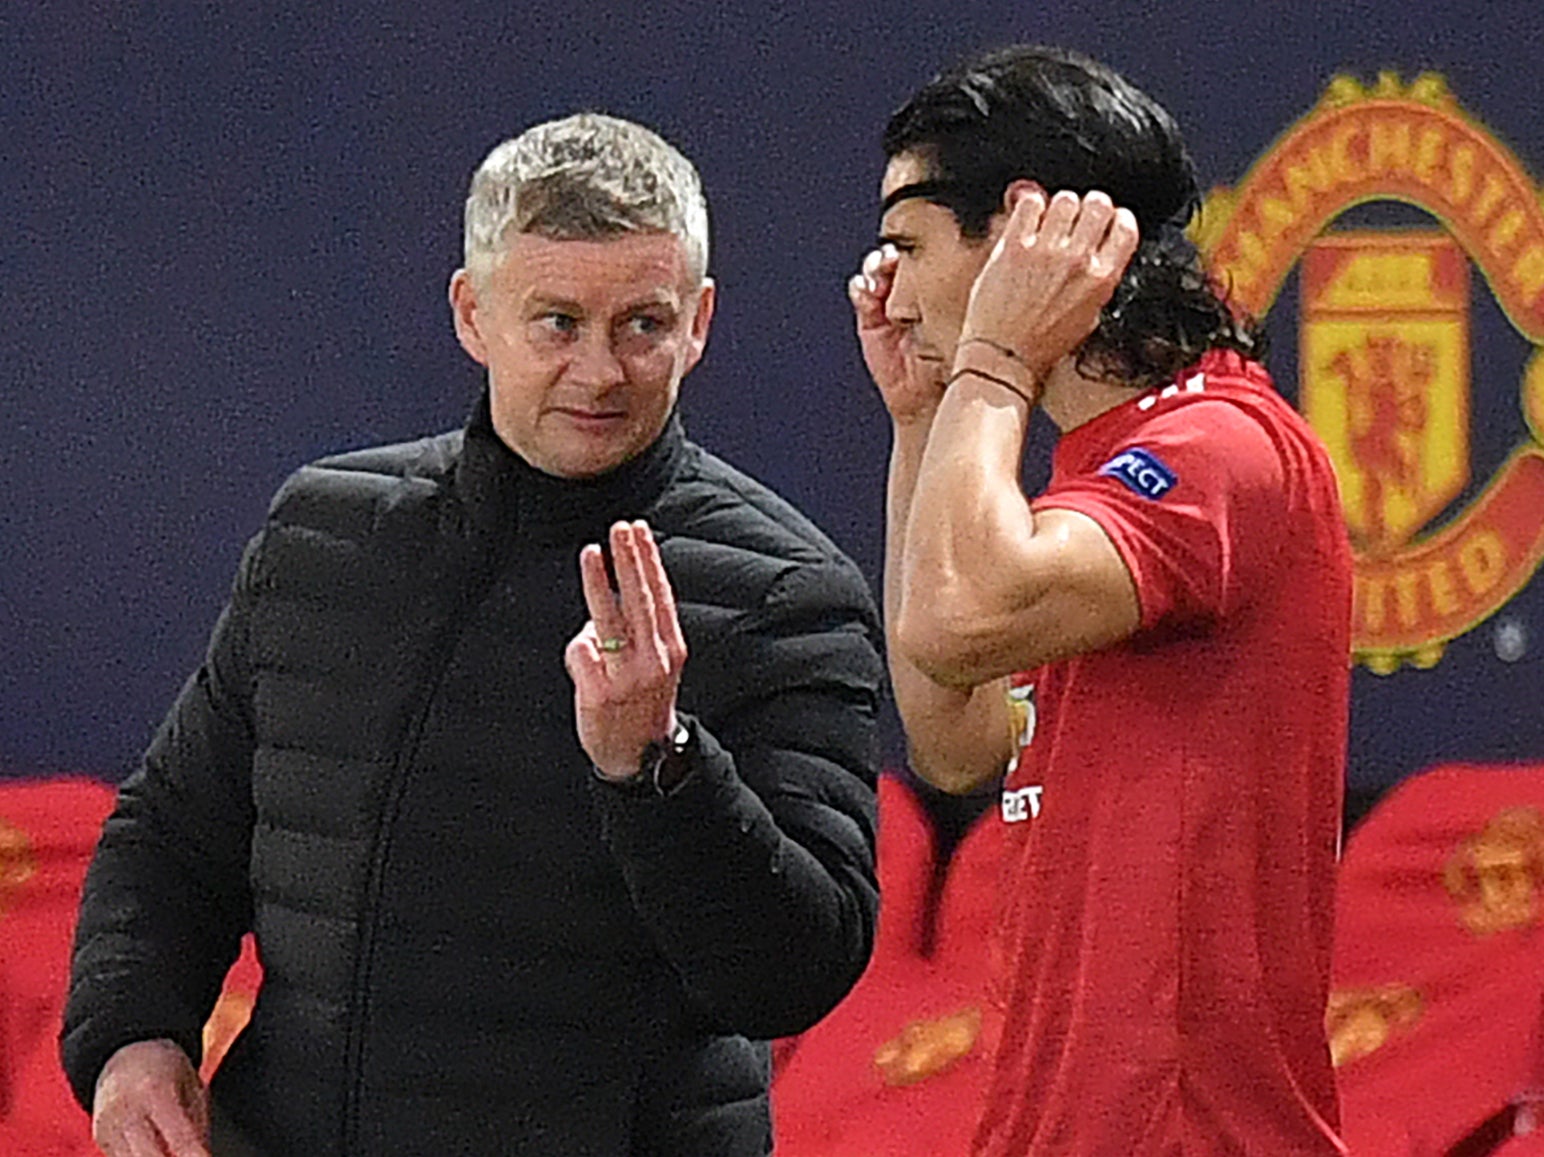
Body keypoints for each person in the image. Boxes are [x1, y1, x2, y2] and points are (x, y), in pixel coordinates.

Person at [62, 112, 884, 1157]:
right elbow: (174, 832)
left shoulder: (783, 592)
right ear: (471, 312)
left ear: (699, 322)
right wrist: (133, 1032)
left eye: (641, 323)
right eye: (555, 322)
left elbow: (795, 970)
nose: (599, 372)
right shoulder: (322, 531)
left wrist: (658, 766)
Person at [850, 46, 1351, 1155]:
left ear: (1023, 231)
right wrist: (924, 421)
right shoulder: (1093, 476)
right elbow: (954, 733)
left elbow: (957, 618)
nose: (884, 286)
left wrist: (990, 356)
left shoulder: (1220, 446)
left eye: (905, 245)